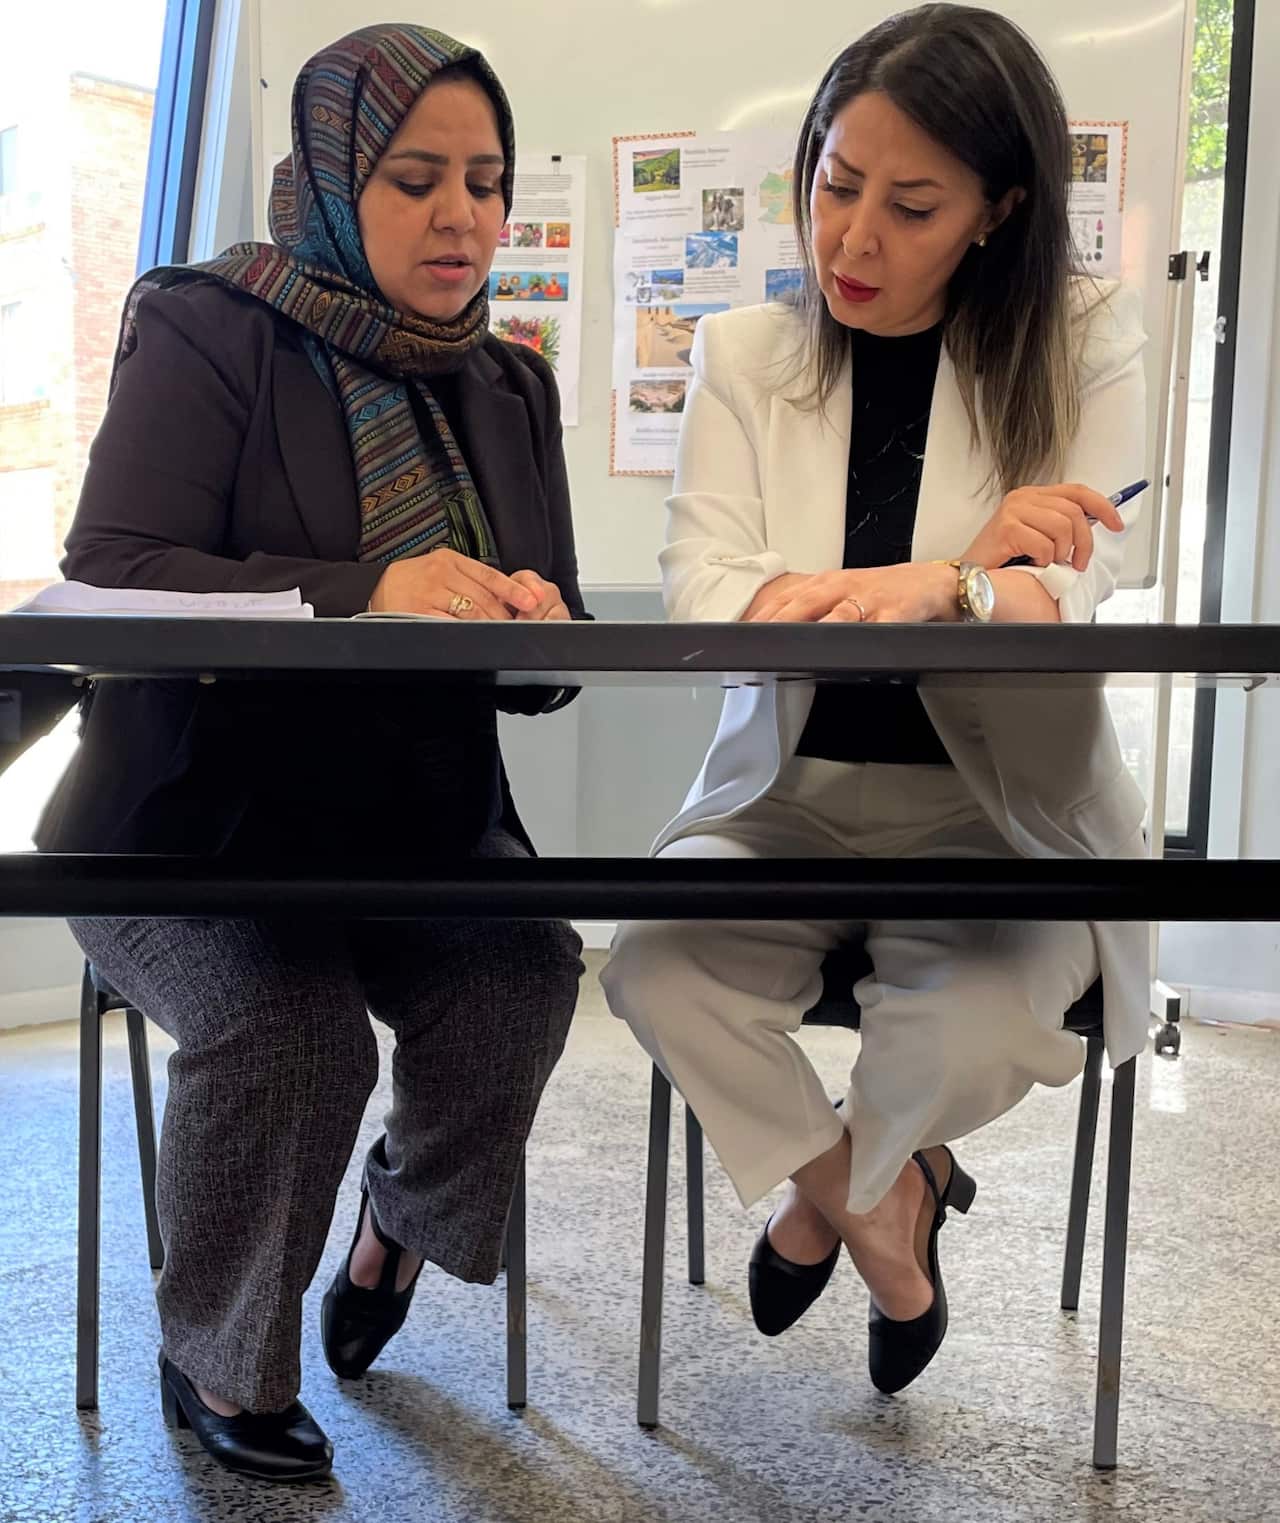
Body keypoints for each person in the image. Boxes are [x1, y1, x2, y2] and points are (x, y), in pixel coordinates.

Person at [39, 23, 586, 1482]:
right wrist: (370, 587)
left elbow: (547, 652)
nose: (461, 215)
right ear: (335, 178)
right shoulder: (210, 325)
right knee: (287, 1029)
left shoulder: (510, 385)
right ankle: (216, 1353)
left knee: (525, 973)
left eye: (485, 180)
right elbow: (113, 571)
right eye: (415, 178)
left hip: (412, 828)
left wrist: (535, 625)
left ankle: (398, 1219)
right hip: (181, 833)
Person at [603, 1, 1148, 1400]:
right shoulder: (743, 356)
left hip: (999, 814)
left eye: (911, 205)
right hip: (781, 798)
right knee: (652, 965)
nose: (852, 241)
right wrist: (968, 568)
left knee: (961, 1024)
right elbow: (706, 601)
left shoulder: (1087, 339)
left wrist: (939, 592)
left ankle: (816, 1201)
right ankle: (882, 1204)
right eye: (836, 184)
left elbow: (1074, 598)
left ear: (997, 207)